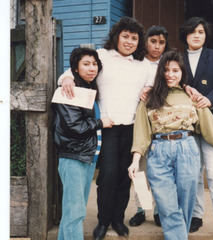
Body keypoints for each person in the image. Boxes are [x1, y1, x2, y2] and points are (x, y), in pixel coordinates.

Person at [57, 17, 150, 239]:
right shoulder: (102, 55)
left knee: (125, 177)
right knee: (107, 176)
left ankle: (118, 219)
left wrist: (148, 86)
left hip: (131, 128)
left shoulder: (143, 65)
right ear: (116, 36)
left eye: (134, 38)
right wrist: (66, 79)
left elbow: (157, 81)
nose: (129, 41)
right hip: (106, 127)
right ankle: (103, 221)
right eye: (125, 36)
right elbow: (76, 69)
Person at [128, 50, 213, 240]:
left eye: (175, 70)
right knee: (166, 203)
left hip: (187, 148)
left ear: (182, 73)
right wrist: (135, 160)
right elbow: (142, 132)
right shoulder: (149, 99)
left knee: (186, 201)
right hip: (158, 151)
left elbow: (209, 126)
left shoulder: (191, 97)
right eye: (166, 70)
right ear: (160, 72)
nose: (170, 74)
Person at [179, 17, 213, 239]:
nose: (196, 35)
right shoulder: (178, 59)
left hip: (212, 123)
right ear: (185, 35)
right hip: (187, 125)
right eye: (192, 32)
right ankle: (196, 215)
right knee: (192, 173)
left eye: (201, 32)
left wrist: (210, 99)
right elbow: (171, 82)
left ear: (205, 35)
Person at [52, 47, 110, 240]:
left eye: (94, 64)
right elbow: (73, 126)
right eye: (86, 64)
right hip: (73, 158)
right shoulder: (69, 90)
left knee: (74, 212)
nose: (91, 68)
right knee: (75, 213)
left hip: (86, 158)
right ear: (75, 68)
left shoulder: (87, 89)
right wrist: (102, 122)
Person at [129, 25, 170, 228]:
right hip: (141, 121)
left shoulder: (167, 65)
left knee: (159, 170)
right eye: (153, 41)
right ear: (145, 42)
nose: (157, 46)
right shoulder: (137, 64)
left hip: (163, 123)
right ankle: (141, 208)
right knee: (141, 168)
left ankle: (157, 210)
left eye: (161, 42)